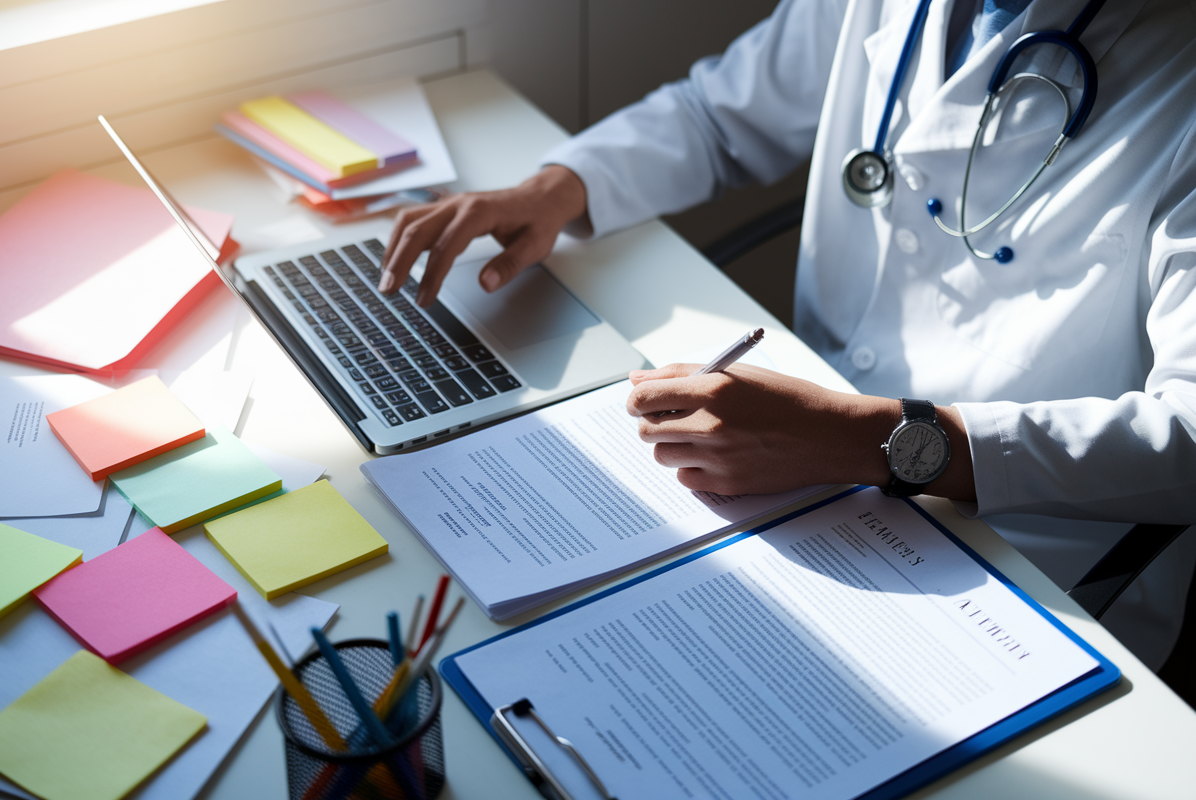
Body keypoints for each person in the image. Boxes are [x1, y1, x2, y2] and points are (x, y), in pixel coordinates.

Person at [380, 0, 1196, 667]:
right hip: (801, 458)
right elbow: (716, 114)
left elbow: (1187, 435)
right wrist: (559, 188)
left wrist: (874, 443)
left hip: (1029, 555)